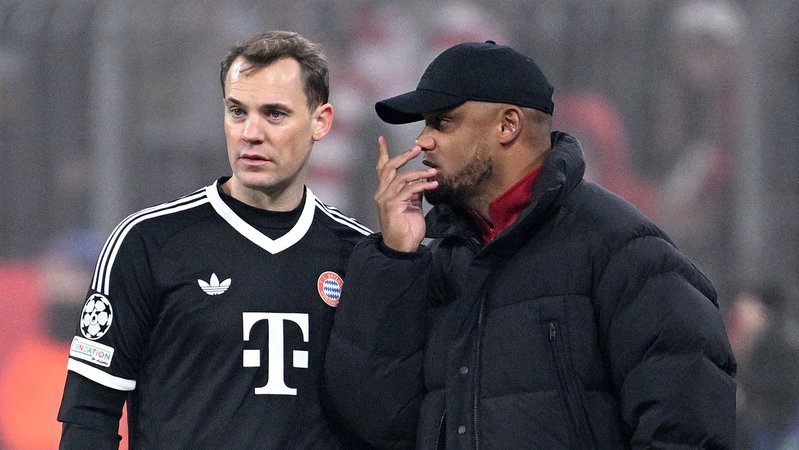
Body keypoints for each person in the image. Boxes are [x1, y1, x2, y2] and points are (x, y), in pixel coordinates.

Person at [324, 40, 736, 448]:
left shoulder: (624, 250)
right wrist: (395, 259)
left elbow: (688, 428)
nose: (423, 141)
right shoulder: (433, 264)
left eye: (443, 122)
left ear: (508, 125)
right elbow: (373, 424)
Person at [57, 30, 372, 449]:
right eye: (237, 111)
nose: (250, 133)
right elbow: (89, 413)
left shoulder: (359, 255)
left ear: (321, 121)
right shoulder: (147, 243)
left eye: (274, 114)